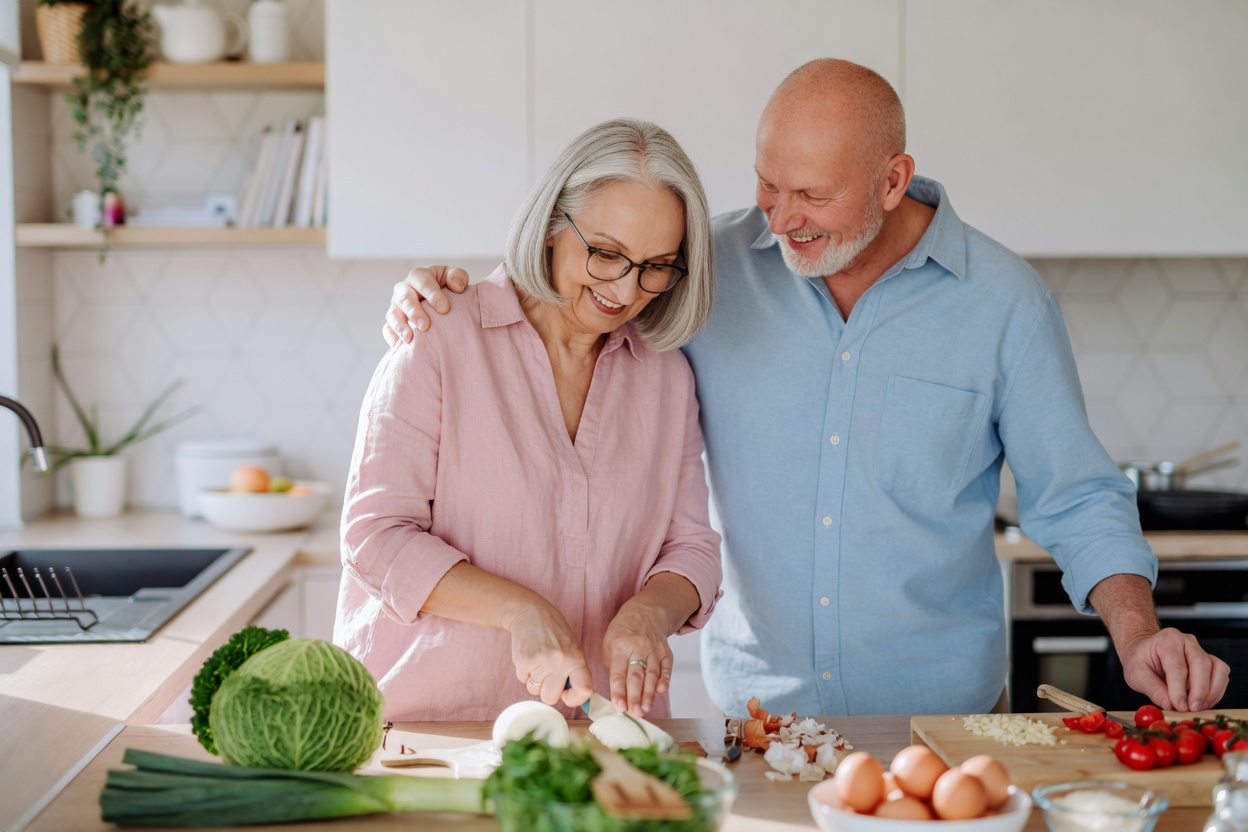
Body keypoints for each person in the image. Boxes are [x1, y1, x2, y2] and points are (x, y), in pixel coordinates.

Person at [379, 60, 1231, 717]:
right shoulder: (704, 275)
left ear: (893, 181)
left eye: (812, 196)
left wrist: (1137, 631)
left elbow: (1078, 497)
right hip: (754, 721)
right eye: (766, 184)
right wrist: (437, 295)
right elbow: (579, 295)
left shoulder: (1004, 305)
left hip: (941, 722)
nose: (779, 218)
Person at [336, 118, 722, 723]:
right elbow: (374, 536)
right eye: (606, 253)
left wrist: (652, 612)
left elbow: (692, 547)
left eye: (656, 266)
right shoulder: (438, 334)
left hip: (600, 735)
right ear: (549, 227)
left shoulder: (665, 375)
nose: (625, 290)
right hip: (434, 733)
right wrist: (519, 610)